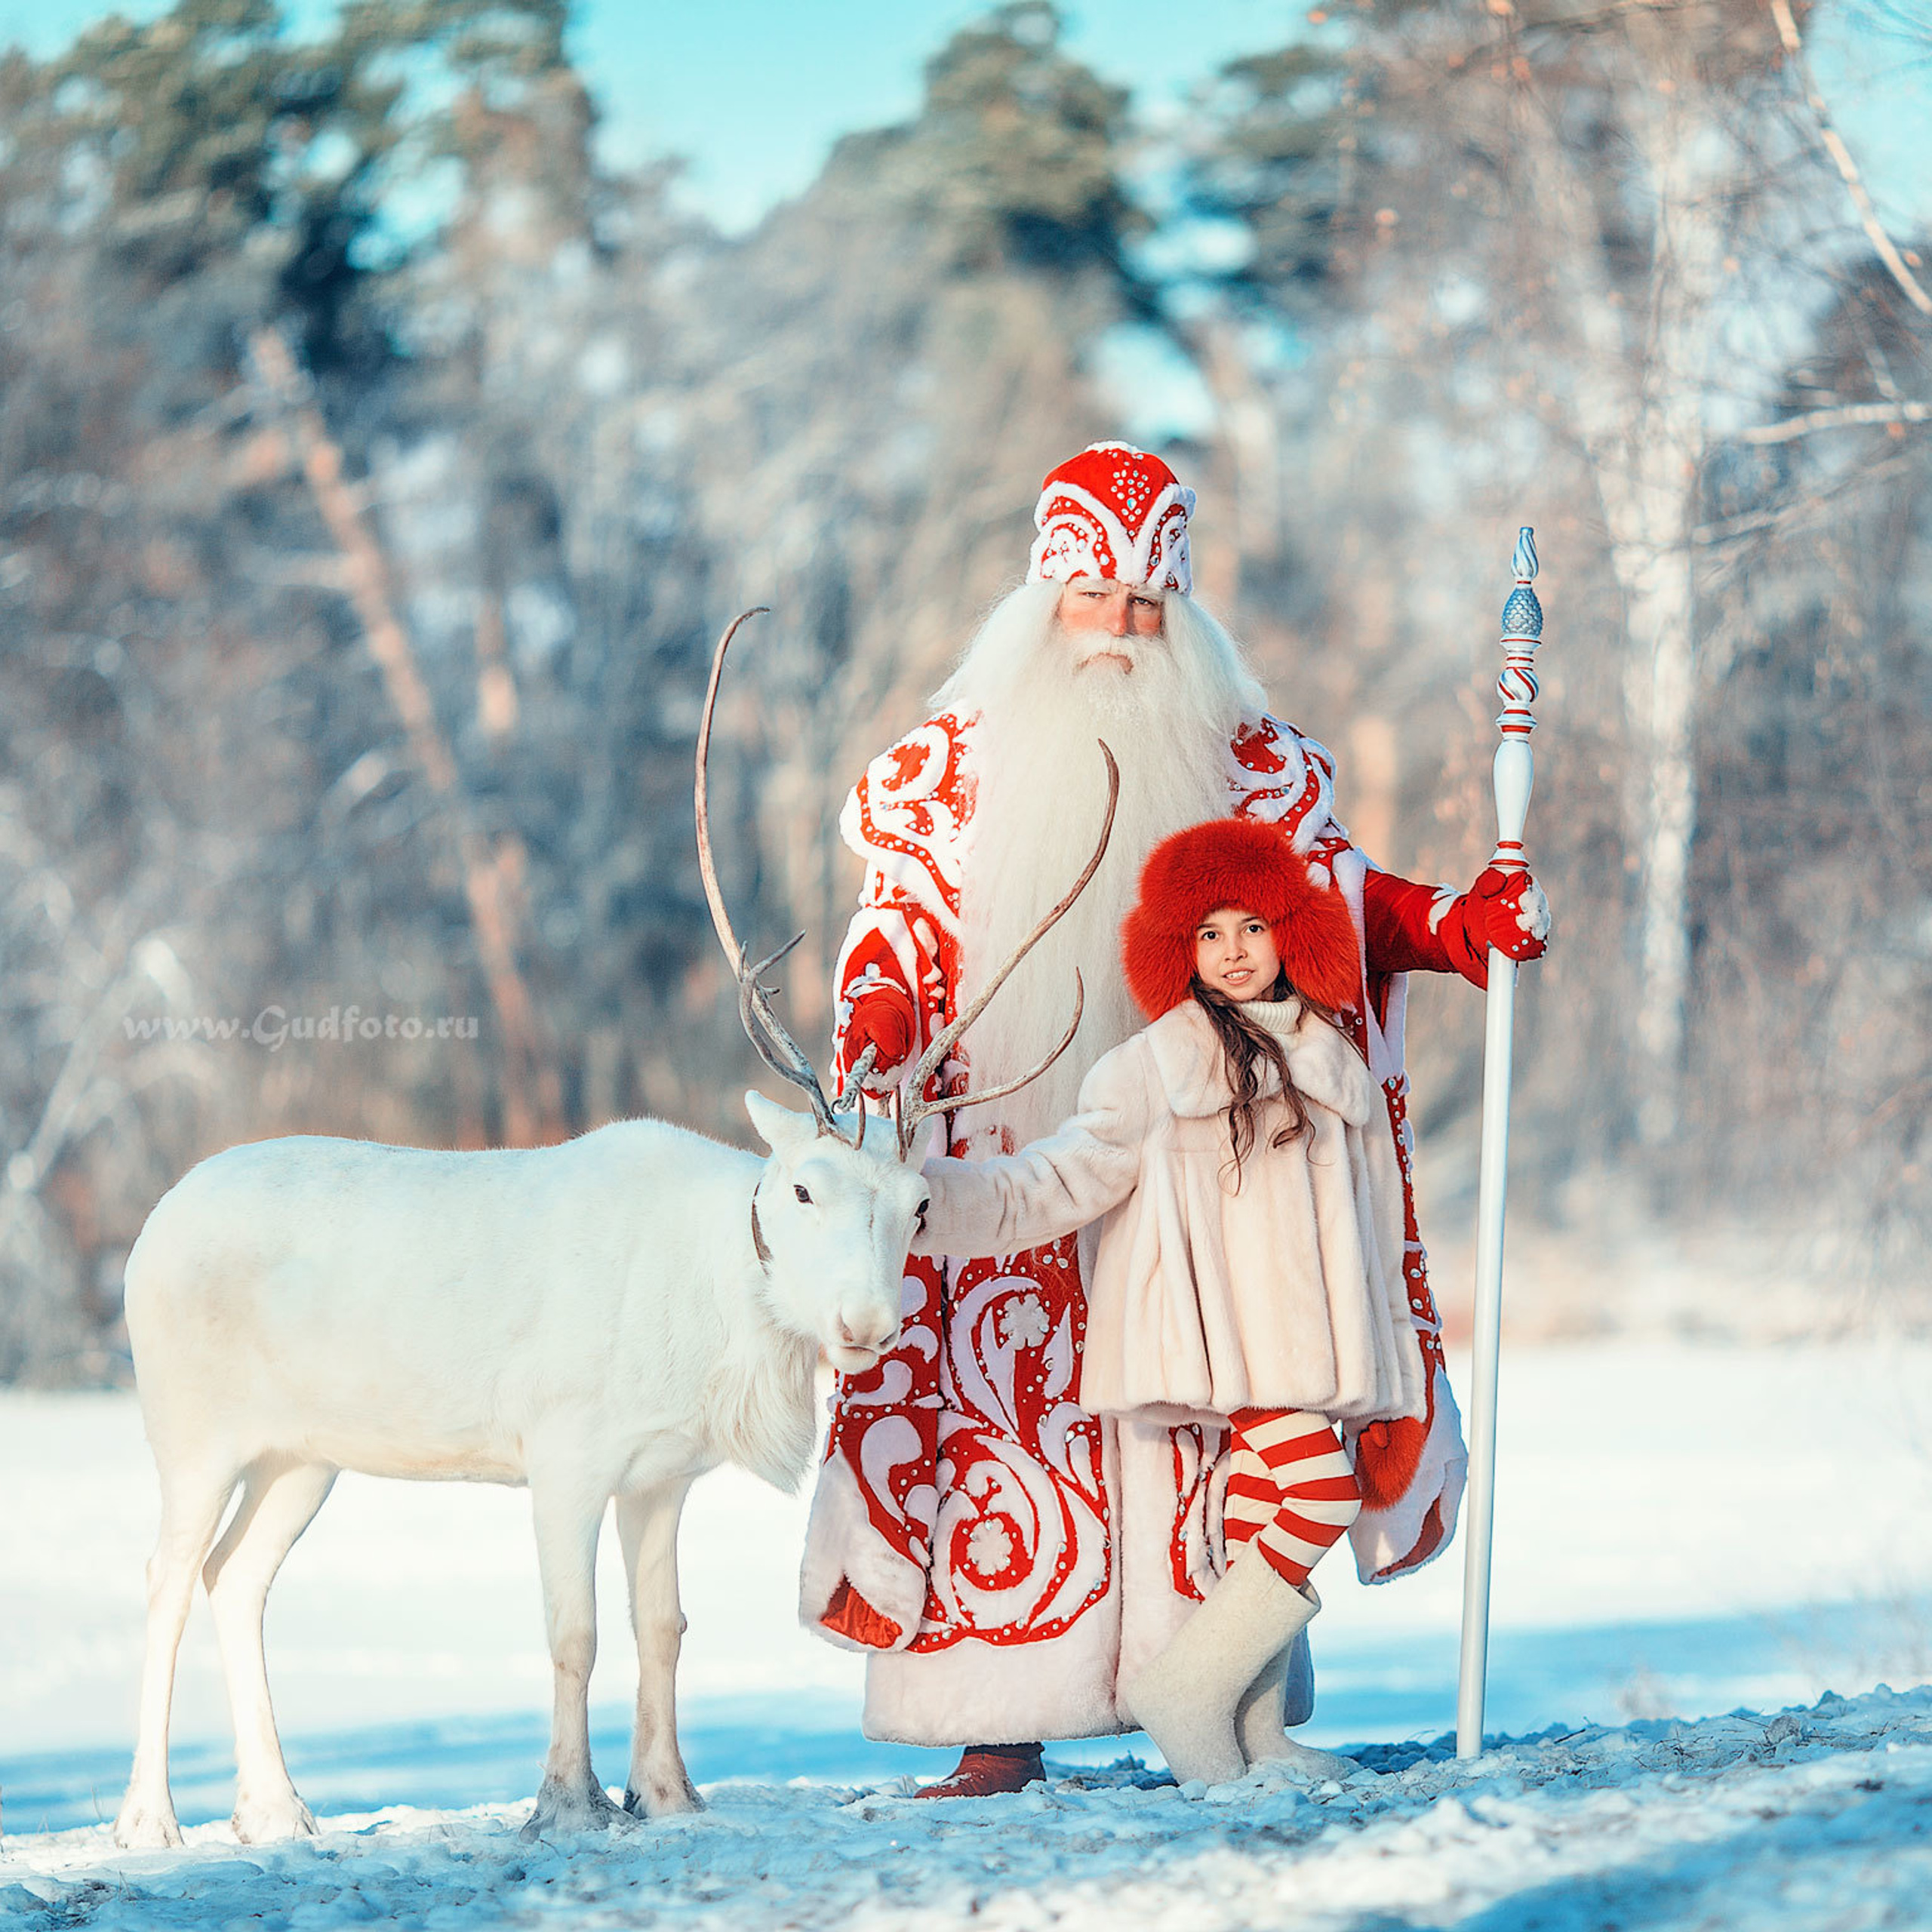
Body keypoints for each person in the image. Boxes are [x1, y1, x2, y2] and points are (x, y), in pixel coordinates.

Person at [801, 441, 1549, 1798]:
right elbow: (894, 933)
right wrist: (878, 1028)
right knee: (996, 1424)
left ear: (1184, 612)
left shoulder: (1253, 769)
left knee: (1229, 1427)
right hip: (1003, 1159)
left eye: (1149, 606)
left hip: (1212, 1183)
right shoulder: (942, 775)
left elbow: (1335, 912)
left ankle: (1224, 1697)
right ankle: (997, 1716)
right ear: (1041, 601)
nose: (1122, 631)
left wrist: (1451, 926)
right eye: (1095, 600)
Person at [912, 817, 1421, 1786]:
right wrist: (931, 1203)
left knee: (1261, 1508)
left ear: (1290, 932)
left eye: (1252, 927)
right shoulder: (1151, 1069)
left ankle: (1257, 1739)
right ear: (1177, 952)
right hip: (1228, 1344)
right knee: (1317, 1493)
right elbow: (1053, 1182)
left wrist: (1396, 1377)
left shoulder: (1333, 1066)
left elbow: (1378, 1238)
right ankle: (1185, 1691)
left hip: (1319, 1347)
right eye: (1208, 934)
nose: (1233, 953)